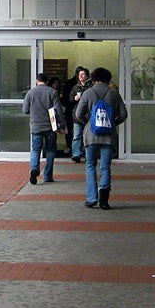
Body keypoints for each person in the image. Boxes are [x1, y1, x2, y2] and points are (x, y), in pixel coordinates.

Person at [74, 66, 127, 209]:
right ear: (108, 78)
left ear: (94, 77)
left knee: (90, 165)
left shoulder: (88, 93)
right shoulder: (114, 93)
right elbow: (123, 115)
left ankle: (91, 198)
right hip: (108, 137)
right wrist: (112, 123)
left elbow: (78, 114)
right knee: (105, 167)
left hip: (91, 136)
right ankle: (104, 196)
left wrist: (90, 123)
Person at [21, 72, 61, 185]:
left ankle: (34, 168)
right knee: (50, 150)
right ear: (47, 81)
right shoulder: (52, 92)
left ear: (36, 81)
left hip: (36, 126)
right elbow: (58, 110)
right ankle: (47, 176)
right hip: (50, 127)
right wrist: (60, 126)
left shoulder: (30, 93)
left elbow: (25, 110)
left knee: (35, 150)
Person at [67, 66, 91, 162]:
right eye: (79, 74)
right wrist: (74, 99)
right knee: (76, 136)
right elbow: (70, 99)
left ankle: (88, 153)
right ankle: (76, 154)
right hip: (77, 115)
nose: (80, 76)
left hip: (88, 115)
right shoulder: (75, 87)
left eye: (83, 74)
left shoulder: (91, 87)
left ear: (87, 76)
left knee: (88, 136)